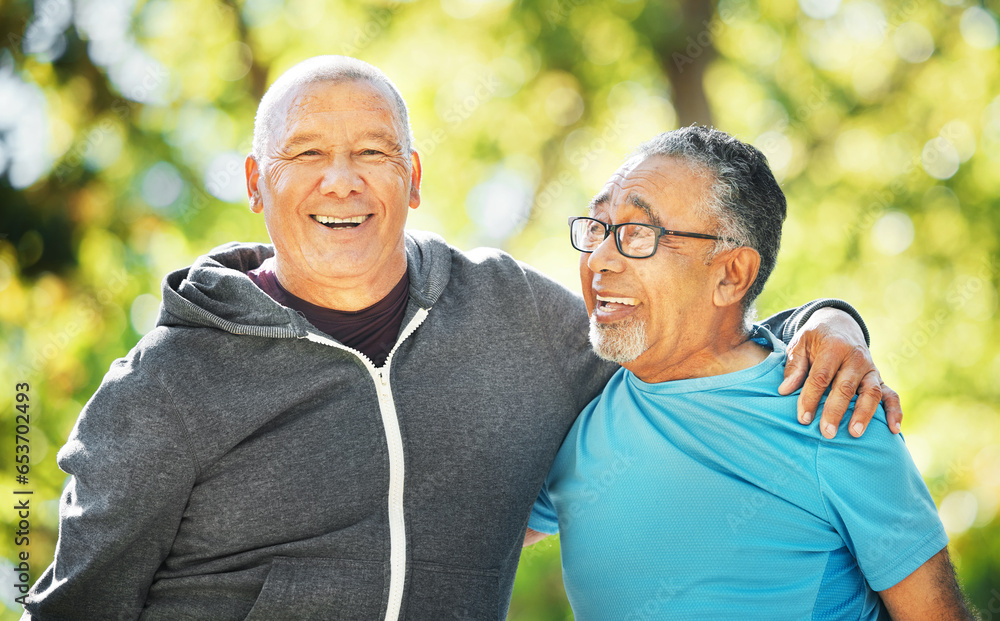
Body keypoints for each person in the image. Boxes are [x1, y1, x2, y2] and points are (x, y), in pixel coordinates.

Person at [23, 57, 895, 620]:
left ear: (413, 178)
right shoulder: (167, 384)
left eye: (372, 152)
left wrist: (823, 323)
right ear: (258, 182)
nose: (342, 181)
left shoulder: (513, 316)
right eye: (306, 154)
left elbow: (680, 344)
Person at [526, 126, 974, 620]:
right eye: (598, 226)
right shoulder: (577, 404)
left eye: (638, 234)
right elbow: (460, 537)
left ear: (731, 274)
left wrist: (832, 318)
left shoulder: (832, 413)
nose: (599, 260)